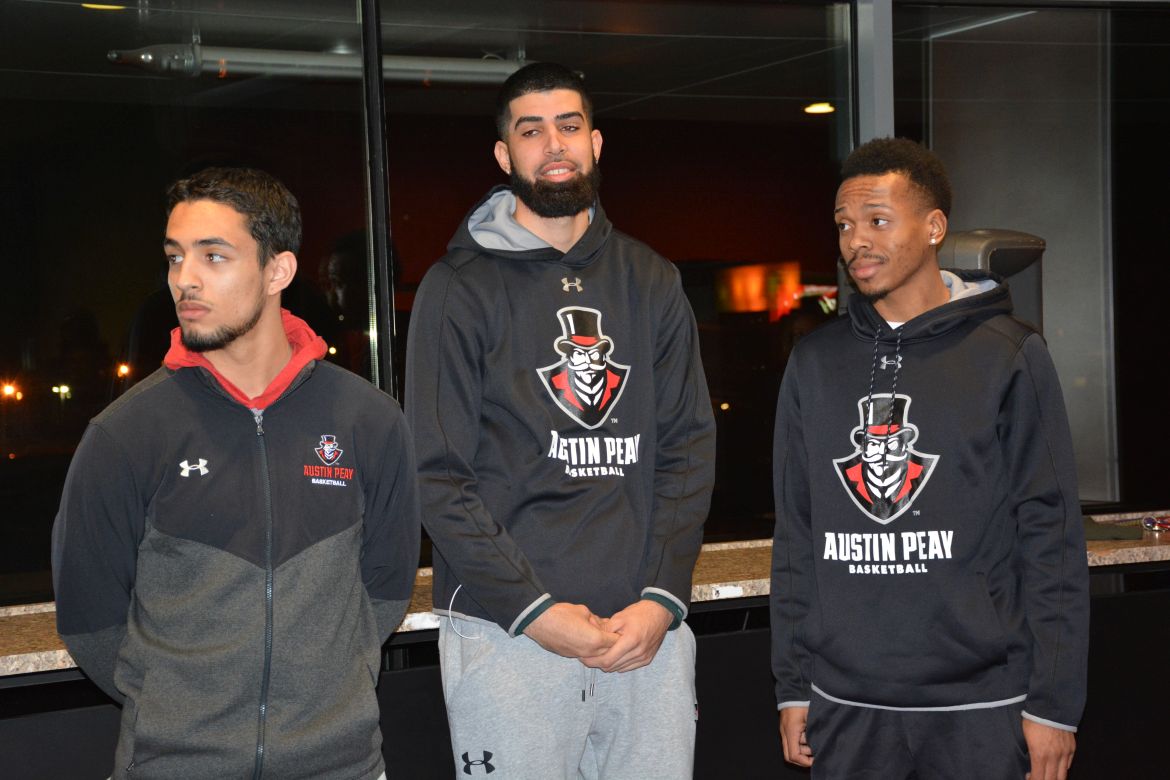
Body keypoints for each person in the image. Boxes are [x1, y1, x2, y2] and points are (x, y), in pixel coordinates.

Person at [52, 167, 421, 779]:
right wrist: (177, 710)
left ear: (278, 271)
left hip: (341, 765)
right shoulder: (125, 432)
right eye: (175, 257)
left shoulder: (369, 420)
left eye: (213, 256)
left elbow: (384, 590)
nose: (185, 279)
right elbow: (90, 618)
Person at [406, 62, 716, 779]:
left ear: (596, 142)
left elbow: (687, 449)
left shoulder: (652, 280)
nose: (554, 144)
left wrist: (661, 599)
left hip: (644, 635)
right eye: (531, 130)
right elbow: (437, 475)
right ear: (503, 154)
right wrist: (535, 611)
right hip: (508, 636)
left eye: (569, 126)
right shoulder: (456, 289)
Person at [770, 137, 1089, 779]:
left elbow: (1051, 538)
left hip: (983, 705)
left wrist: (1054, 705)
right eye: (844, 225)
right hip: (845, 704)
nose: (856, 240)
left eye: (877, 220)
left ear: (934, 226)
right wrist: (794, 685)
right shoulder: (814, 364)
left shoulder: (1009, 354)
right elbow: (797, 535)